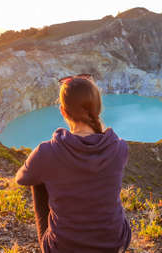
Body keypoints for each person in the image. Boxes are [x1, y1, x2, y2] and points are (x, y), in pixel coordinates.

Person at [15, 74, 131, 253]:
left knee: (38, 182)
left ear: (63, 111)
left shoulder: (46, 152)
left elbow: (22, 178)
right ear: (98, 109)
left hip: (63, 248)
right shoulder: (120, 147)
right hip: (115, 245)